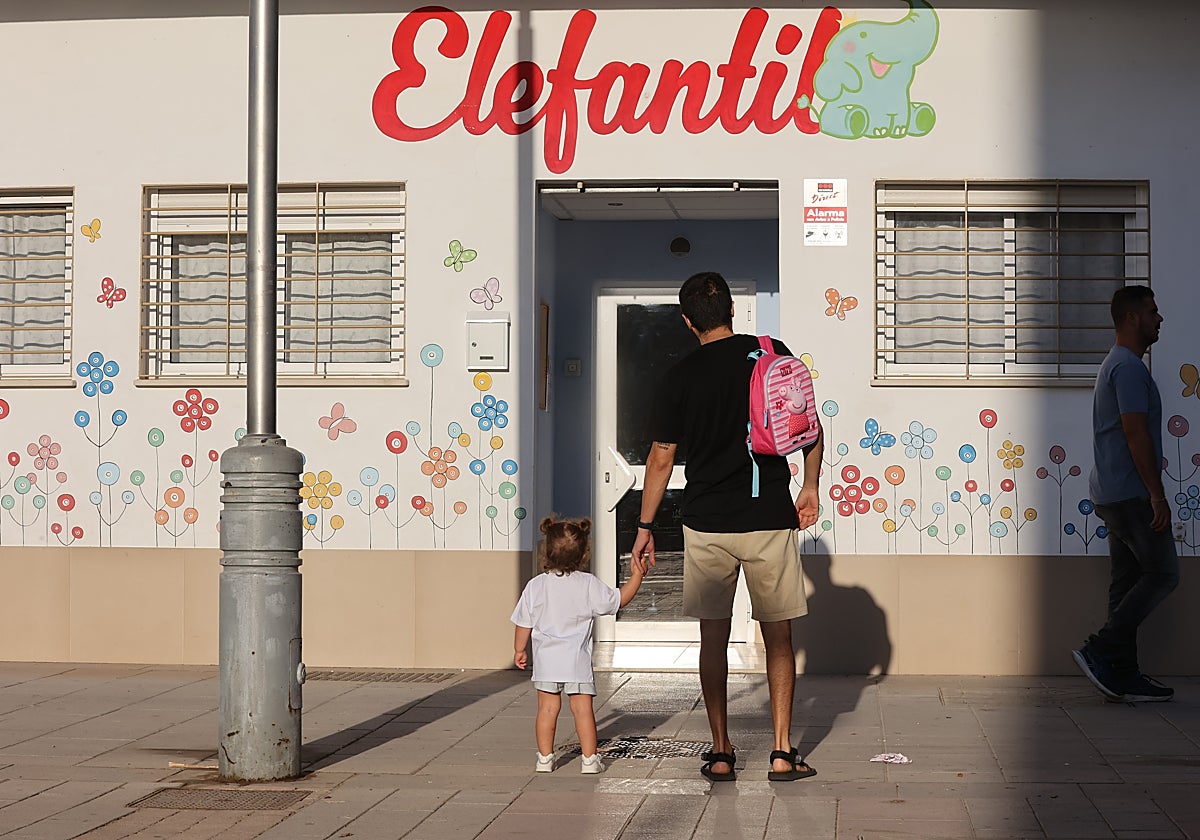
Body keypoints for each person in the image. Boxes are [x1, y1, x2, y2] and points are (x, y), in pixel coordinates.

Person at [632, 271, 823, 782]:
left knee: (712, 640)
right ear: (734, 310)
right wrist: (810, 486)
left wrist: (645, 525)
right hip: (767, 517)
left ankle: (721, 752)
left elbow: (660, 459)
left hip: (707, 522)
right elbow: (809, 425)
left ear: (687, 320)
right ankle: (782, 752)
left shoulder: (678, 377)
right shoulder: (770, 353)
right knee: (778, 638)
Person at [1073, 285, 1178, 703]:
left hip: (1111, 491)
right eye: (1153, 311)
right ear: (1132, 318)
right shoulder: (1129, 368)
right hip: (1131, 493)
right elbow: (1135, 433)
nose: (1160, 318)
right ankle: (1102, 647)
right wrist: (1157, 494)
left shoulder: (1117, 364)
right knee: (1163, 573)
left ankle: (1122, 673)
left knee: (1127, 581)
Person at [512, 516, 646, 773]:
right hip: (577, 661)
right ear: (584, 553)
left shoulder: (535, 586)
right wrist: (637, 576)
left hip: (546, 661)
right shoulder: (587, 584)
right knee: (582, 710)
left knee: (547, 709)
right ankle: (589, 760)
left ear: (546, 550)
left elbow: (523, 623)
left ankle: (544, 758)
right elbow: (618, 600)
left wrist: (519, 649)